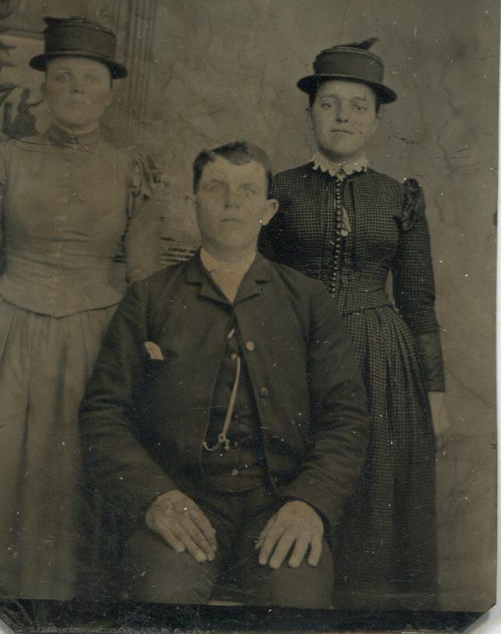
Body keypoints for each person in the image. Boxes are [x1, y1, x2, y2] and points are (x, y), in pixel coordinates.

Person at [79, 140, 369, 608]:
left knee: (298, 604)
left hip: (279, 502)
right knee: (160, 597)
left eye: (247, 190)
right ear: (193, 201)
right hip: (183, 502)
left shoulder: (308, 300)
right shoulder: (149, 298)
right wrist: (156, 498)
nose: (232, 201)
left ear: (268, 209)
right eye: (216, 188)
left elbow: (346, 417)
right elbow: (103, 415)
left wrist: (309, 503)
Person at [260, 39, 449, 610]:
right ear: (310, 111)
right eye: (329, 103)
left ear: (376, 119)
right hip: (296, 350)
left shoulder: (399, 196)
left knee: (378, 486)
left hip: (382, 359)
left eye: (357, 106)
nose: (342, 117)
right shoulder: (278, 189)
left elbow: (418, 300)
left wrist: (435, 392)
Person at [0, 17, 158, 600]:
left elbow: (141, 274)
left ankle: (66, 602)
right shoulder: (5, 159)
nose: (76, 89)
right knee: (4, 462)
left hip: (95, 335)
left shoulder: (129, 169)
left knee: (74, 471)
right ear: (44, 87)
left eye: (90, 79)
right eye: (62, 76)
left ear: (109, 93)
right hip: (10, 324)